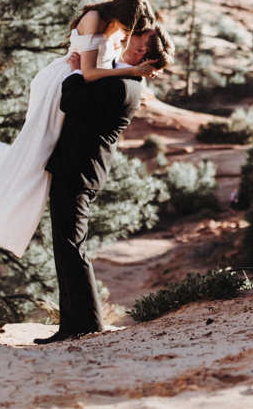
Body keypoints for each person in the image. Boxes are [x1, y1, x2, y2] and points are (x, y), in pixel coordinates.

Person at [0, 0, 159, 256]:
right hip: (58, 90)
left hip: (71, 90)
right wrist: (132, 72)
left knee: (34, 162)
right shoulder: (95, 18)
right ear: (123, 16)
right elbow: (88, 73)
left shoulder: (113, 27)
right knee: (33, 163)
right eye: (128, 27)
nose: (127, 33)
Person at [37, 25, 173, 344]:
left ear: (141, 52)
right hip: (76, 166)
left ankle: (86, 324)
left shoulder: (123, 85)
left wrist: (74, 71)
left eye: (137, 37)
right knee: (66, 244)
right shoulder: (118, 76)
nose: (131, 35)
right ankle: (72, 323)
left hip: (80, 169)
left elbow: (71, 101)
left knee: (71, 245)